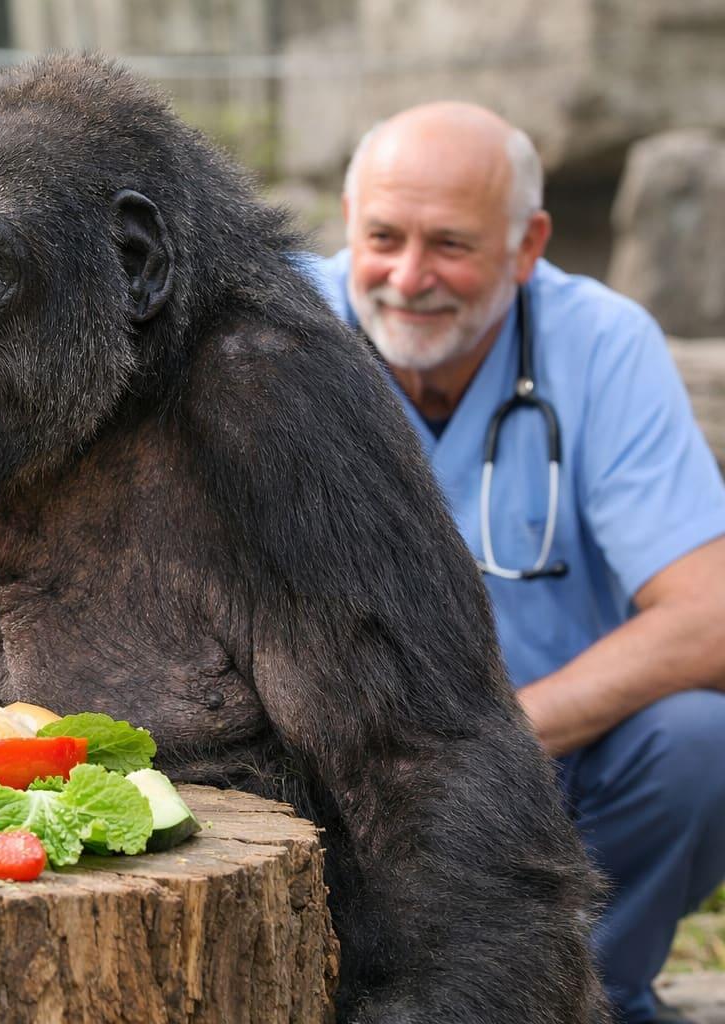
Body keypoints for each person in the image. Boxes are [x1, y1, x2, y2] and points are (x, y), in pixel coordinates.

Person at [307, 101, 725, 1024]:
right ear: (348, 219)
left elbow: (709, 616)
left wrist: (485, 753)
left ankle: (583, 995)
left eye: (450, 245)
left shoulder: (602, 346)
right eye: (383, 237)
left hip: (552, 761)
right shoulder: (279, 333)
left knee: (702, 743)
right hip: (335, 772)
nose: (408, 278)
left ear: (528, 243)